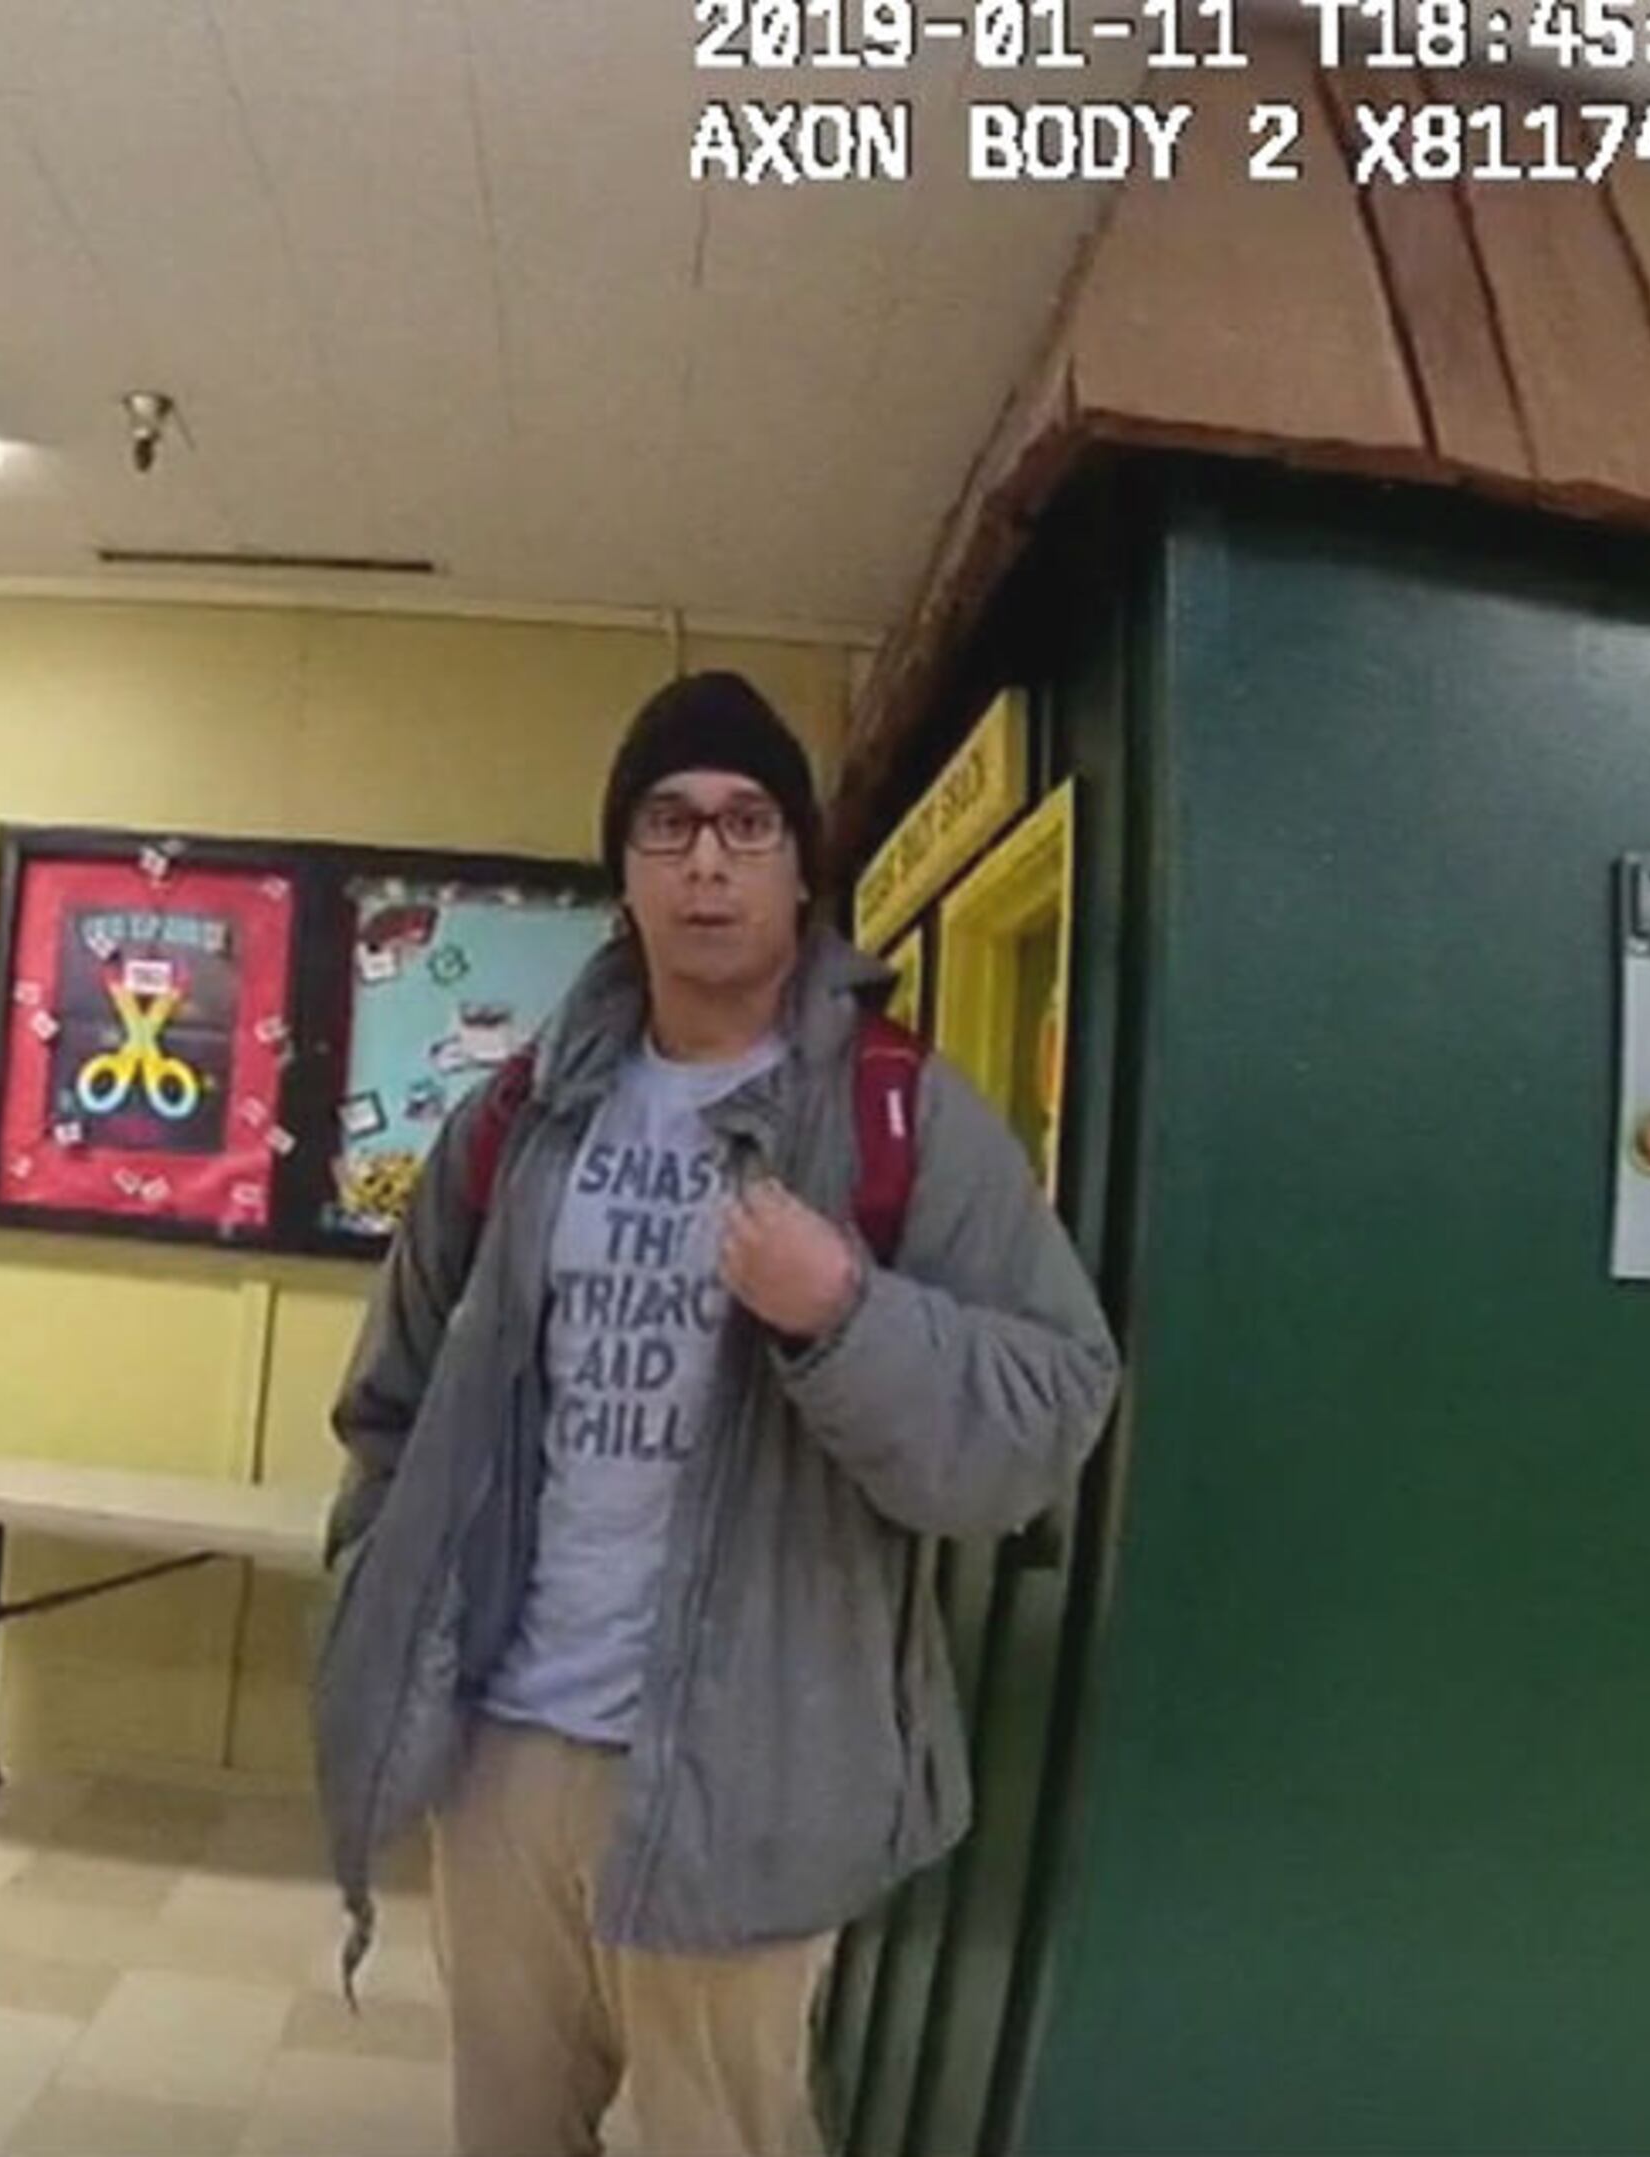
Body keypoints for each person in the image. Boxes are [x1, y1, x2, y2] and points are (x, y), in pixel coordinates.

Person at [312, 672, 1121, 2157]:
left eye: (747, 824)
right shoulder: (521, 1120)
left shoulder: (901, 1115)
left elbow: (1051, 1405)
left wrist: (844, 1312)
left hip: (749, 1781)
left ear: (801, 863)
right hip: (506, 1759)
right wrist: (383, 1587)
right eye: (669, 824)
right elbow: (396, 1397)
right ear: (621, 871)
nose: (707, 861)